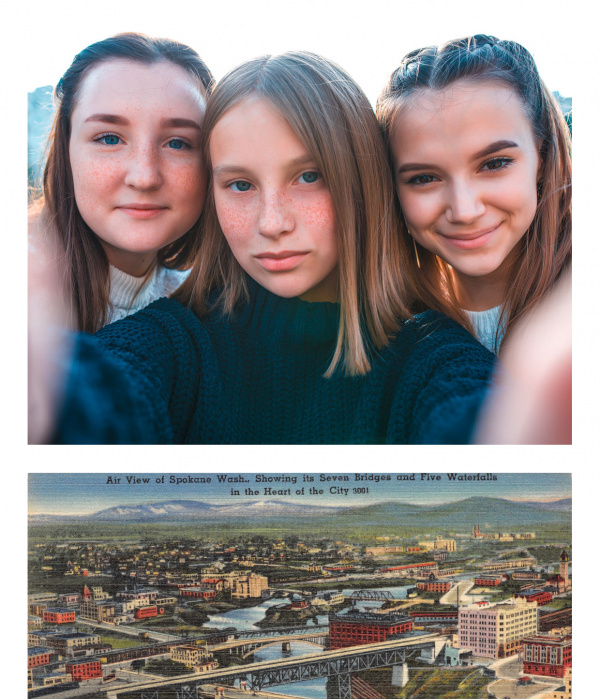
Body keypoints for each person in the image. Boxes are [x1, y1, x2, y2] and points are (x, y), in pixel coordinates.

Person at [31, 51, 496, 445]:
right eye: (239, 184)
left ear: (362, 181)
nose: (271, 223)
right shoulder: (178, 340)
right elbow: (111, 390)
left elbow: (477, 419)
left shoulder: (434, 357)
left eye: (308, 177)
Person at [376, 34, 571, 353]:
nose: (464, 210)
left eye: (494, 164)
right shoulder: (387, 333)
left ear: (543, 157)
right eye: (424, 178)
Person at [30, 32, 214, 332]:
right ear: (67, 150)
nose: (144, 177)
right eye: (110, 139)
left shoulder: (211, 311)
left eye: (178, 143)